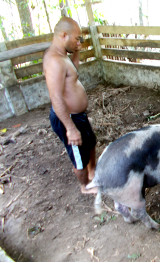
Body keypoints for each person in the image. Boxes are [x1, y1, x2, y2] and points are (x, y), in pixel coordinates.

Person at [45, 17, 96, 194]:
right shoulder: (54, 61)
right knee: (79, 156)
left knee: (90, 143)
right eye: (76, 39)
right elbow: (56, 97)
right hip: (69, 119)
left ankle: (93, 173)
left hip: (78, 116)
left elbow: (73, 72)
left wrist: (76, 51)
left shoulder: (62, 56)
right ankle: (85, 186)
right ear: (63, 35)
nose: (78, 42)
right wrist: (70, 128)